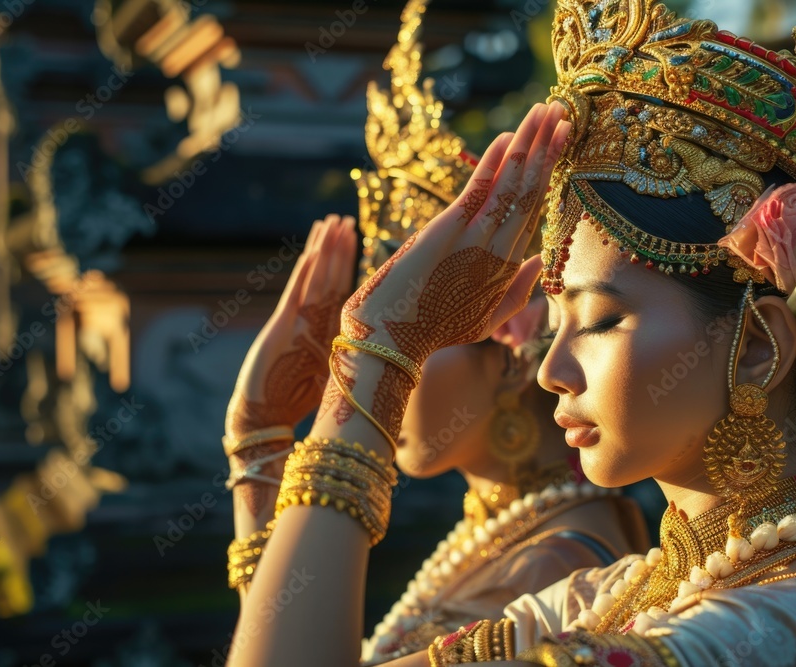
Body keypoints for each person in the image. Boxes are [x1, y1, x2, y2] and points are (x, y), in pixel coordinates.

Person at [226, 0, 796, 664]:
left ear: (759, 347)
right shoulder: (608, 595)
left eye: (599, 320)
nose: (550, 369)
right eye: (554, 324)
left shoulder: (785, 629)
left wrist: (378, 350)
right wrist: (260, 450)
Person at [222, 2, 648, 663]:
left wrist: (375, 357)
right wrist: (261, 451)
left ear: (510, 353)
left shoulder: (554, 569)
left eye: (418, 334)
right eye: (397, 335)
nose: (386, 362)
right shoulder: (499, 537)